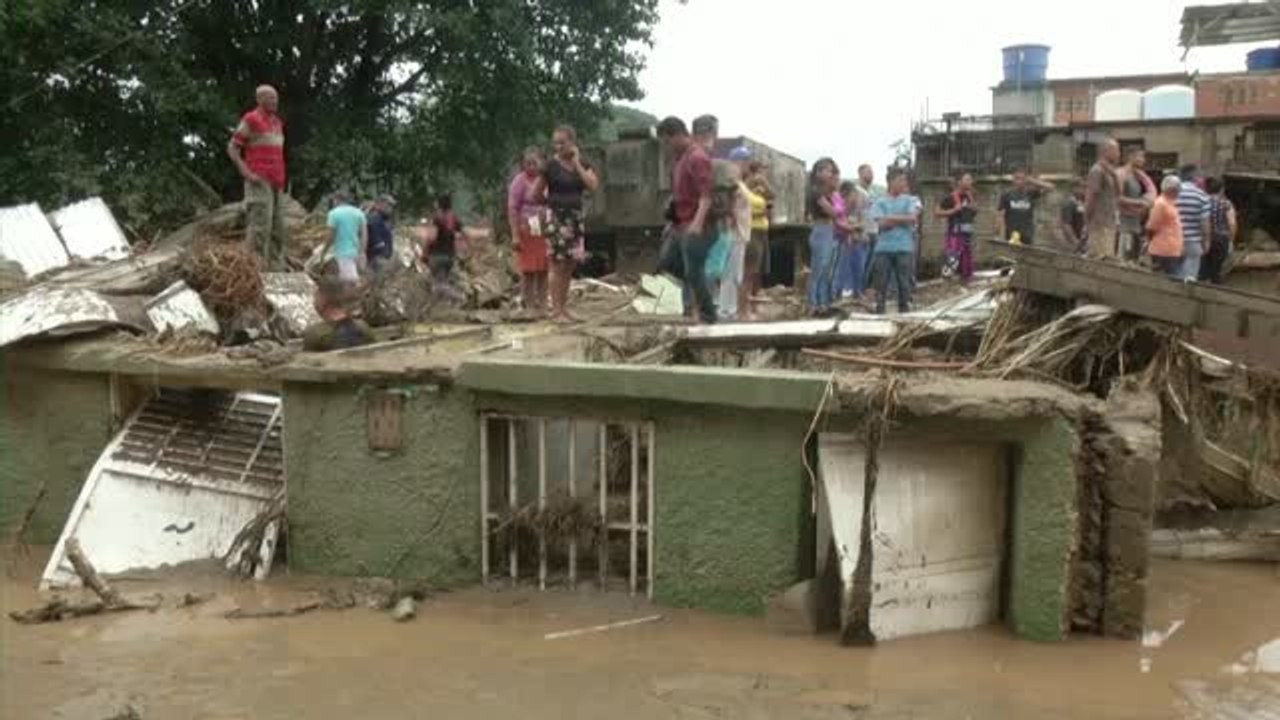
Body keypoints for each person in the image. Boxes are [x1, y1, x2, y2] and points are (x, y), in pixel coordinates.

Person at [658, 116, 717, 323]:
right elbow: (678, 196)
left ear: (676, 136)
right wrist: (670, 223)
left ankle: (707, 314)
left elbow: (706, 193)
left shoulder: (697, 157)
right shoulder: (679, 159)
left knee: (694, 271)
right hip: (680, 223)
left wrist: (698, 223)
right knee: (667, 261)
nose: (665, 147)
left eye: (666, 142)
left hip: (698, 223)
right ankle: (695, 304)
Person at [228, 84, 288, 270]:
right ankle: (255, 270)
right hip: (259, 178)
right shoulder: (251, 119)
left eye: (276, 98)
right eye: (270, 98)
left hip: (277, 180)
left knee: (278, 229)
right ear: (259, 99)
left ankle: (276, 270)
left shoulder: (277, 123)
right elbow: (232, 147)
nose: (274, 101)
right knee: (260, 227)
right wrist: (245, 172)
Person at [543, 124, 599, 322]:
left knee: (569, 264)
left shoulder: (582, 162)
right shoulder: (550, 165)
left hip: (575, 217)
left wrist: (576, 163)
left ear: (572, 143)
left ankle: (564, 308)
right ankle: (556, 310)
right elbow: (536, 192)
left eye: (562, 142)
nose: (558, 147)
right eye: (555, 143)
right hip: (557, 218)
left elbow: (592, 185)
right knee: (557, 264)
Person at [869, 168, 920, 315]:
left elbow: (913, 218)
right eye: (901, 180)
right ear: (891, 182)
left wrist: (890, 217)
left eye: (905, 180)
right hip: (883, 248)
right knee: (881, 283)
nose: (904, 183)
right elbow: (881, 224)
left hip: (904, 247)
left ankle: (904, 310)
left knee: (904, 282)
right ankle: (880, 310)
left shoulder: (911, 200)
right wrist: (902, 218)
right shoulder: (880, 201)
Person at [508, 146, 549, 314]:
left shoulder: (546, 180)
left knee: (544, 268)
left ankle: (543, 304)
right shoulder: (519, 181)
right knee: (529, 269)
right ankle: (529, 304)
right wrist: (515, 235)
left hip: (545, 229)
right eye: (527, 164)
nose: (531, 167)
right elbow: (512, 209)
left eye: (534, 163)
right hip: (526, 230)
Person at [718, 146, 755, 321]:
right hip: (734, 231)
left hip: (742, 232)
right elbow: (729, 204)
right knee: (731, 273)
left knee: (734, 273)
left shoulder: (740, 183)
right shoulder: (731, 182)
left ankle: (728, 308)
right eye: (745, 160)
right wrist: (730, 221)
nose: (748, 164)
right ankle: (727, 310)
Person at [806, 158, 844, 316]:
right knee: (819, 268)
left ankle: (823, 303)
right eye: (827, 170)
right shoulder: (816, 192)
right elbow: (833, 212)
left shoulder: (826, 192)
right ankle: (813, 304)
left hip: (828, 229)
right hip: (821, 228)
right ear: (818, 172)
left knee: (826, 268)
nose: (830, 173)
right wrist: (838, 210)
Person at [742, 161, 773, 320]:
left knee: (759, 270)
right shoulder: (745, 189)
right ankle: (745, 307)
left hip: (762, 230)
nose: (764, 175)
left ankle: (754, 305)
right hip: (752, 230)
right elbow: (742, 209)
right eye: (762, 171)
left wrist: (764, 185)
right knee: (750, 271)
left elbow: (772, 195)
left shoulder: (761, 190)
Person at [937, 172, 979, 284]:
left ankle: (966, 280)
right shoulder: (950, 197)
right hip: (955, 234)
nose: (970, 182)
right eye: (967, 179)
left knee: (967, 262)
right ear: (959, 182)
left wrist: (974, 208)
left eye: (971, 179)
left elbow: (974, 211)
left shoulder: (971, 196)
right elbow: (937, 212)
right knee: (952, 259)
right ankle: (946, 282)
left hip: (968, 233)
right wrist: (953, 210)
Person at [1084, 139, 1122, 258]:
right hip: (1099, 224)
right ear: (1106, 151)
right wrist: (1088, 220)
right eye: (1116, 150)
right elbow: (1090, 197)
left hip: (1109, 222)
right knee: (1099, 259)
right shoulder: (1097, 170)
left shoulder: (1111, 172)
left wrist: (1115, 176)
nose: (1118, 154)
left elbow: (1119, 194)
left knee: (1108, 257)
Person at [997, 168, 1054, 245]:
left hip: (1027, 233)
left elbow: (1050, 187)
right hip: (1012, 232)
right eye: (1017, 179)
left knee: (1027, 255)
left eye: (1022, 179)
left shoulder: (1030, 193)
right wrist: (1000, 232)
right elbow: (1000, 214)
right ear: (1013, 180)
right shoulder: (1007, 195)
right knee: (1013, 255)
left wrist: (1033, 181)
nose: (1019, 182)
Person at [1175, 164, 1212, 282]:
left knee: (1174, 275)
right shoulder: (1202, 196)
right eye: (1199, 176)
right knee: (1189, 278)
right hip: (1192, 242)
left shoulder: (1170, 193)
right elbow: (1204, 224)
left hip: (1172, 240)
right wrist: (1206, 241)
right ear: (1195, 177)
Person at [1118, 149, 1157, 259]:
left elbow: (1151, 190)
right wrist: (1140, 202)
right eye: (1140, 157)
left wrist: (1146, 200)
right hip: (1124, 223)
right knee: (1124, 257)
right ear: (1130, 157)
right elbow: (1116, 198)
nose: (1143, 160)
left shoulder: (1138, 175)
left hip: (1135, 222)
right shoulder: (1121, 174)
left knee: (1133, 258)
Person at [323, 191, 367, 286]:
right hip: (355, 252)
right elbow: (364, 235)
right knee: (351, 281)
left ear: (337, 200)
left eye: (334, 200)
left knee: (350, 284)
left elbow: (331, 236)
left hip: (342, 252)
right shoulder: (359, 213)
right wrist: (362, 252)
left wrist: (324, 251)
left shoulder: (333, 213)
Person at [1145, 176, 1185, 278]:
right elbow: (1151, 227)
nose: (1179, 193)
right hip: (1163, 250)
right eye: (1177, 190)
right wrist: (1149, 240)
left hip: (1172, 250)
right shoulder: (1160, 204)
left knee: (1173, 279)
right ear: (1171, 190)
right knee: (1172, 280)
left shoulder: (1170, 202)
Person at [1200, 176, 1237, 284]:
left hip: (1203, 238)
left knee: (1202, 269)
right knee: (1216, 270)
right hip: (1221, 240)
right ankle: (1215, 290)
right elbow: (1232, 223)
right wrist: (1231, 241)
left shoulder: (1202, 201)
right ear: (1222, 189)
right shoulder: (1227, 204)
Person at [854, 164, 885, 290]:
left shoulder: (873, 192)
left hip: (875, 231)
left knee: (870, 264)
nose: (871, 175)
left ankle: (862, 290)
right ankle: (856, 290)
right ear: (860, 173)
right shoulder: (856, 191)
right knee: (860, 262)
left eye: (872, 172)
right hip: (863, 232)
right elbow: (855, 212)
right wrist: (859, 230)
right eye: (868, 172)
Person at [427, 194, 465, 285]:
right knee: (445, 280)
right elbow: (465, 233)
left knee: (439, 286)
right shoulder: (454, 218)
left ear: (439, 205)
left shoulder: (437, 219)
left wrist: (425, 252)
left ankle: (460, 298)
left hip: (437, 256)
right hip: (450, 256)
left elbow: (432, 238)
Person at [364, 194, 396, 273]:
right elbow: (375, 239)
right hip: (377, 258)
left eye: (392, 206)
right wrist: (383, 250)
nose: (391, 209)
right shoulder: (374, 218)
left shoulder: (383, 219)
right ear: (380, 204)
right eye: (389, 205)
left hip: (382, 256)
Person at [1058, 179, 1087, 253]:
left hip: (1084, 240)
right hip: (1074, 242)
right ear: (1074, 188)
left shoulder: (1084, 202)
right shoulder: (1069, 203)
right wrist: (1075, 242)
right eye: (1082, 187)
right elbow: (1066, 224)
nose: (1085, 190)